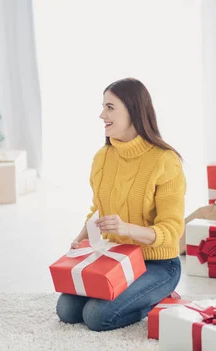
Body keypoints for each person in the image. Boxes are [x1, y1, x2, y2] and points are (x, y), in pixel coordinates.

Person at [56, 78, 186, 332]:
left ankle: (158, 297)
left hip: (158, 264)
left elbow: (172, 231)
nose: (102, 114)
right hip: (115, 257)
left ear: (133, 110)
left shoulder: (165, 161)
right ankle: (132, 296)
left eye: (110, 107)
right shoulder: (103, 157)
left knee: (96, 316)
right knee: (68, 310)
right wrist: (80, 238)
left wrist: (127, 229)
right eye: (103, 107)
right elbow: (99, 209)